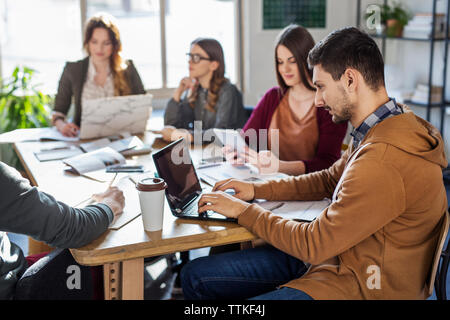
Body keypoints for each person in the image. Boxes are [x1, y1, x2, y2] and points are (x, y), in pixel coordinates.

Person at [180, 27, 448, 300]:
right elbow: (328, 179)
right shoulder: (383, 125)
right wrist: (257, 191)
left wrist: (244, 211)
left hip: (357, 282)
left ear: (350, 80)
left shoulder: (383, 158)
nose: (318, 99)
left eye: (321, 86)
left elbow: (314, 244)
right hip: (337, 254)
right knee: (195, 275)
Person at [231, 25, 347, 175]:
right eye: (280, 62)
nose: (284, 69)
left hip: (309, 189)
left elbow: (328, 164)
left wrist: (279, 166)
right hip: (268, 183)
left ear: (307, 59)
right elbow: (246, 140)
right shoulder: (273, 97)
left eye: (292, 61)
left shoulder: (328, 103)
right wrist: (235, 152)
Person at [0, 161, 125, 299]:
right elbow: (74, 229)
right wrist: (109, 205)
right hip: (11, 287)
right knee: (110, 268)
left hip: (10, 269)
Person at [52, 12, 145, 137]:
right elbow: (58, 113)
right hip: (84, 139)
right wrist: (63, 126)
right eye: (94, 42)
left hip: (121, 138)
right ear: (87, 42)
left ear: (114, 45)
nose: (99, 48)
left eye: (106, 43)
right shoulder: (73, 69)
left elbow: (143, 106)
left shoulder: (128, 68)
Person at [162, 38, 247, 143]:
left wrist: (188, 136)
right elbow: (173, 126)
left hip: (227, 155)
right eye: (190, 56)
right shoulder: (197, 90)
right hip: (203, 153)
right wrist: (178, 93)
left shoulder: (228, 91)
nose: (190, 61)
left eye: (196, 57)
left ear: (213, 65)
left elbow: (221, 133)